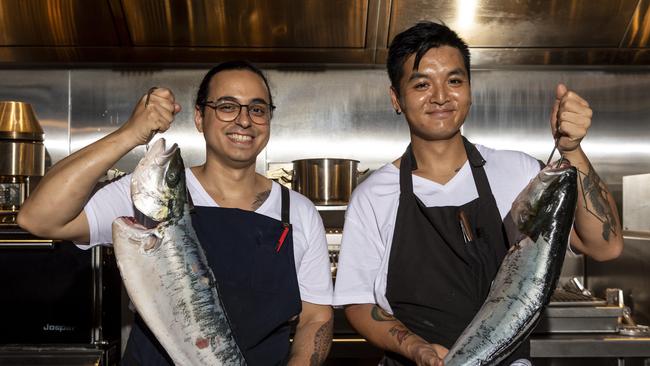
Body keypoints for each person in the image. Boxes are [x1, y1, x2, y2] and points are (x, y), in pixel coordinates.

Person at [332, 21, 623, 366]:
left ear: (470, 89)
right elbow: (359, 303)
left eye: (454, 81)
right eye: (422, 83)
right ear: (396, 98)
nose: (441, 96)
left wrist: (572, 150)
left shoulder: (518, 172)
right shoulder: (373, 195)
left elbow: (605, 246)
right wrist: (416, 348)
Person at [18, 61, 334, 365]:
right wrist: (131, 133)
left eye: (257, 109)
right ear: (199, 117)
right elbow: (38, 219)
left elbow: (316, 317)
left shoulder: (299, 212)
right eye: (226, 106)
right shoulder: (149, 199)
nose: (244, 120)